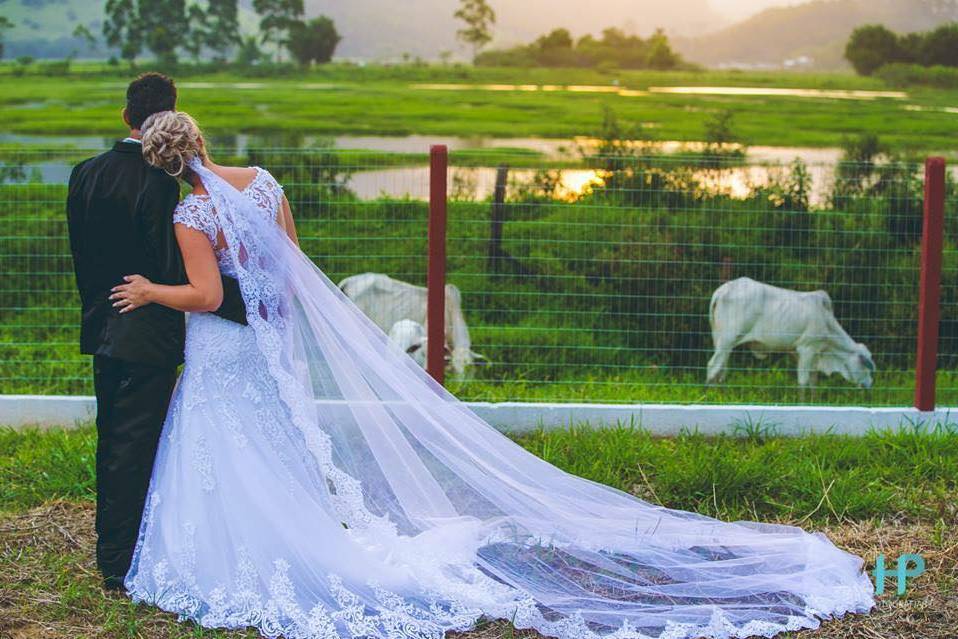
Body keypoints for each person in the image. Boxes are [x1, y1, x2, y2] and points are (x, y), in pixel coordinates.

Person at [110, 110, 875, 639]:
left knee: (230, 449)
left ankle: (259, 551)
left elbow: (208, 295)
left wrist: (150, 290)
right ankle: (299, 534)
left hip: (225, 347)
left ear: (162, 163)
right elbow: (293, 267)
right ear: (202, 140)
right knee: (272, 442)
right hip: (268, 342)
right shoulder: (265, 182)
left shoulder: (191, 217)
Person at [65, 73, 248, 592]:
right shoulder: (161, 187)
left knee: (112, 441)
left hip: (103, 330)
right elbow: (184, 276)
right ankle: (121, 564)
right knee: (139, 445)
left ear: (127, 117)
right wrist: (250, 304)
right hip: (149, 337)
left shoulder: (83, 174)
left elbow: (85, 255)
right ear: (171, 117)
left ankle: (112, 548)